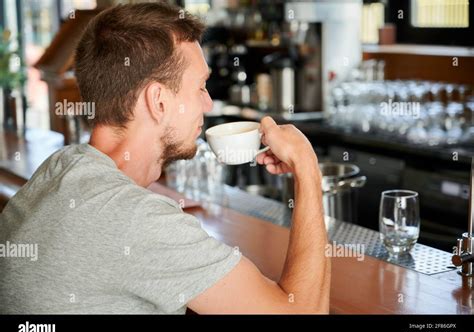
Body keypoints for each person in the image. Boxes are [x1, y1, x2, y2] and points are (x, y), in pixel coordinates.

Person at [0, 2, 330, 314]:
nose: (208, 104)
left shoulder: (58, 168)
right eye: (200, 87)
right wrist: (306, 166)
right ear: (158, 101)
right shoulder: (138, 221)